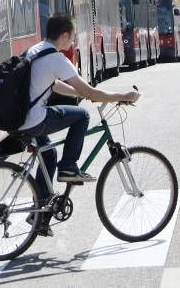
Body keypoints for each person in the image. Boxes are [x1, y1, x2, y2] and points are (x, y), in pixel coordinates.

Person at [20, 13, 140, 236]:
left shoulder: (36, 50)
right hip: (34, 118)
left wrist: (77, 93)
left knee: (48, 154)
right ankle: (69, 167)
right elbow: (90, 91)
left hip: (19, 118)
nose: (73, 42)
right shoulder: (56, 58)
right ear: (64, 35)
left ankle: (40, 216)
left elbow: (53, 84)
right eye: (72, 37)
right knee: (82, 116)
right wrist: (121, 95)